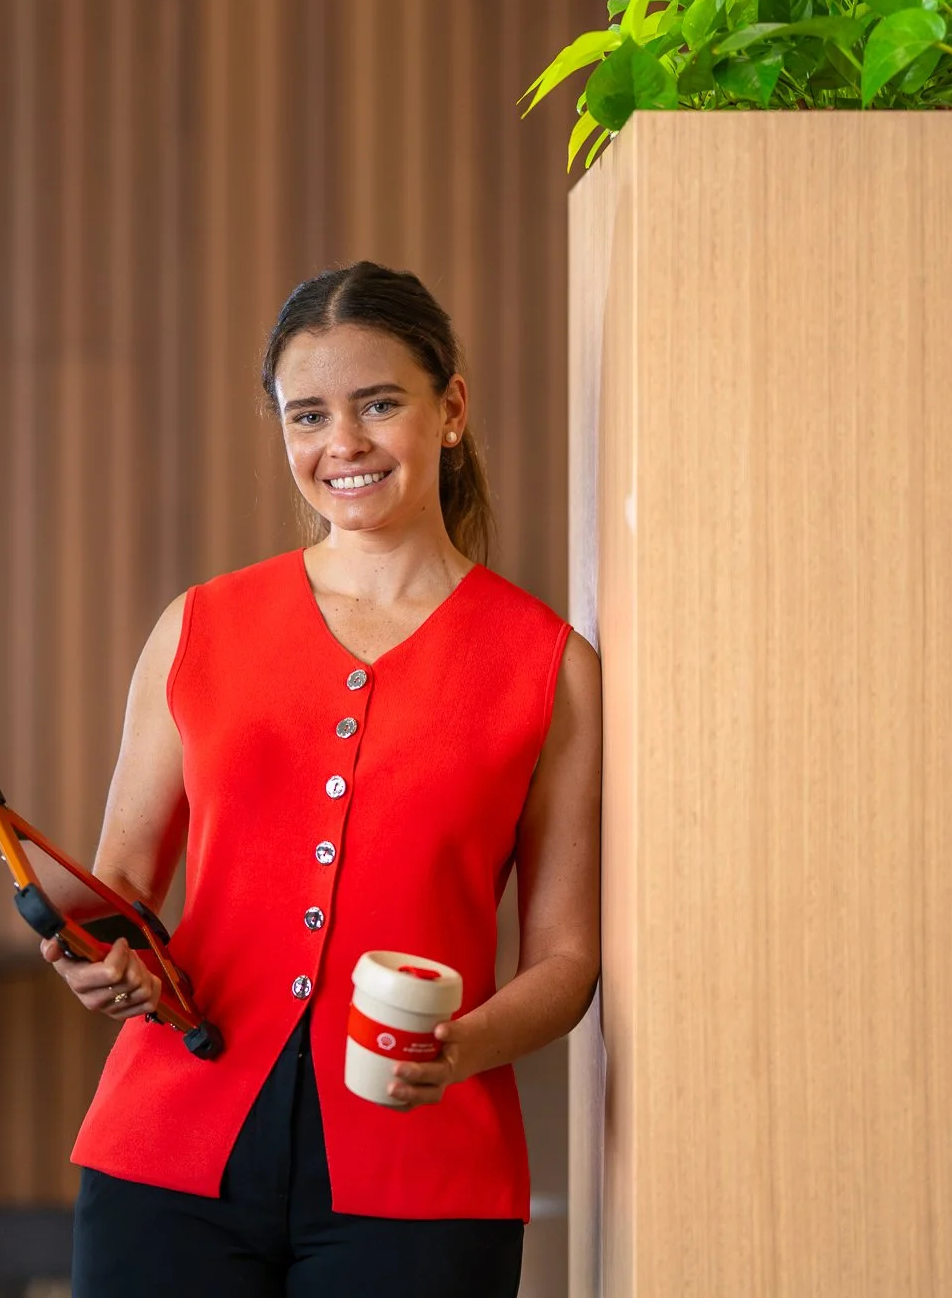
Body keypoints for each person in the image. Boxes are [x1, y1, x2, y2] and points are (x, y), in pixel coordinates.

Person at [45, 261, 602, 1297]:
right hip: (168, 1152)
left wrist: (457, 1049)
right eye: (308, 415)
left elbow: (566, 960)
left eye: (378, 404)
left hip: (424, 1175)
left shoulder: (548, 666)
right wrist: (93, 953)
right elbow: (121, 882)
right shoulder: (198, 626)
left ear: (451, 411)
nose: (342, 442)